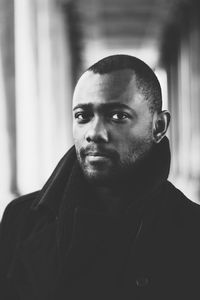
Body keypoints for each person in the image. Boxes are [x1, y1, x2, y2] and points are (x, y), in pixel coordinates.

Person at [0, 54, 200, 300]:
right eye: (83, 116)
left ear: (158, 126)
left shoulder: (192, 230)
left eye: (118, 116)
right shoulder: (19, 221)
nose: (94, 133)